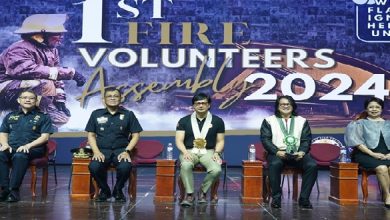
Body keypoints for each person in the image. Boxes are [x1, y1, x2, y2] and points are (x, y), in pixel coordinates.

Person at [0, 14, 86, 127]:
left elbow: (55, 76)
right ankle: (27, 121)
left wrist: (60, 101)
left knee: (61, 119)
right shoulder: (19, 49)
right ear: (39, 35)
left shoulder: (51, 50)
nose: (61, 37)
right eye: (57, 33)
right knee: (41, 83)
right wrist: (70, 73)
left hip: (30, 88)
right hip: (5, 89)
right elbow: (27, 71)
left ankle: (42, 121)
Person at [85, 88, 143, 202]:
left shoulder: (129, 114)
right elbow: (91, 135)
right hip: (102, 151)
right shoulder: (95, 114)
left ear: (120, 99)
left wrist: (127, 151)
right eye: (109, 96)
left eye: (116, 96)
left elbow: (136, 135)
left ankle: (118, 190)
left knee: (126, 167)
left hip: (121, 150)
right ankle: (105, 190)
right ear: (103, 100)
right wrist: (96, 152)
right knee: (94, 167)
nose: (112, 98)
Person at [260, 95, 317, 209]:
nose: (285, 106)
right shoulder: (269, 121)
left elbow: (306, 140)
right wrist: (276, 151)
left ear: (292, 106)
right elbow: (265, 139)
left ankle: (304, 199)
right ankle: (276, 198)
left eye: (288, 104)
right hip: (278, 153)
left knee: (312, 165)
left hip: (297, 154)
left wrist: (302, 152)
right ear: (277, 106)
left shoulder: (302, 121)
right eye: (282, 104)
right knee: (275, 164)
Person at [0, 90, 54, 202]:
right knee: (1, 154)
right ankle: (5, 189)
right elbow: (3, 133)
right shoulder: (10, 116)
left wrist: (28, 146)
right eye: (24, 97)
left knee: (20, 155)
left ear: (36, 100)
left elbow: (45, 137)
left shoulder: (43, 117)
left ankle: (13, 191)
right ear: (18, 100)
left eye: (31, 98)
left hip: (34, 149)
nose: (27, 100)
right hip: (11, 147)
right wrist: (4, 144)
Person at [176, 93, 225, 207]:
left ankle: (202, 192)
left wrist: (217, 153)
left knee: (216, 169)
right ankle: (189, 194)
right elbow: (179, 140)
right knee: (186, 165)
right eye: (198, 103)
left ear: (209, 105)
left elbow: (220, 141)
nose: (201, 106)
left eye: (204, 103)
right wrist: (185, 152)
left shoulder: (218, 121)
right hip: (189, 150)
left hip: (208, 151)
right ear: (193, 106)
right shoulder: (184, 121)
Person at [345, 97, 390, 208]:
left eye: (377, 107)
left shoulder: (388, 123)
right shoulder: (358, 123)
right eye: (371, 107)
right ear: (366, 109)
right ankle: (388, 196)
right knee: (382, 168)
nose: (374, 109)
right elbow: (357, 143)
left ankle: (386, 194)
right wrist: (373, 154)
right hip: (365, 154)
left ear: (382, 109)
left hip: (387, 154)